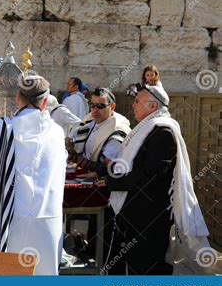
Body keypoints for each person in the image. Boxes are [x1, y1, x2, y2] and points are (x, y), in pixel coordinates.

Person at [95, 84, 209, 275]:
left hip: (149, 217)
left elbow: (148, 176)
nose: (133, 105)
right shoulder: (147, 128)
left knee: (146, 268)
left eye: (138, 101)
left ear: (153, 106)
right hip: (136, 214)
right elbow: (132, 165)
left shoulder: (163, 132)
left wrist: (112, 182)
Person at [0, 74, 66, 275]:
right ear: (45, 101)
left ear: (18, 97)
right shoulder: (58, 132)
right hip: (47, 218)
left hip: (10, 217)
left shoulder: (1, 128)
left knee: (10, 279)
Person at [68, 88, 131, 177]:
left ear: (112, 107)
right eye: (92, 105)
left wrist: (72, 156)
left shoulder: (118, 129)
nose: (95, 110)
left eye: (100, 106)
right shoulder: (89, 120)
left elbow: (107, 167)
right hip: (85, 173)